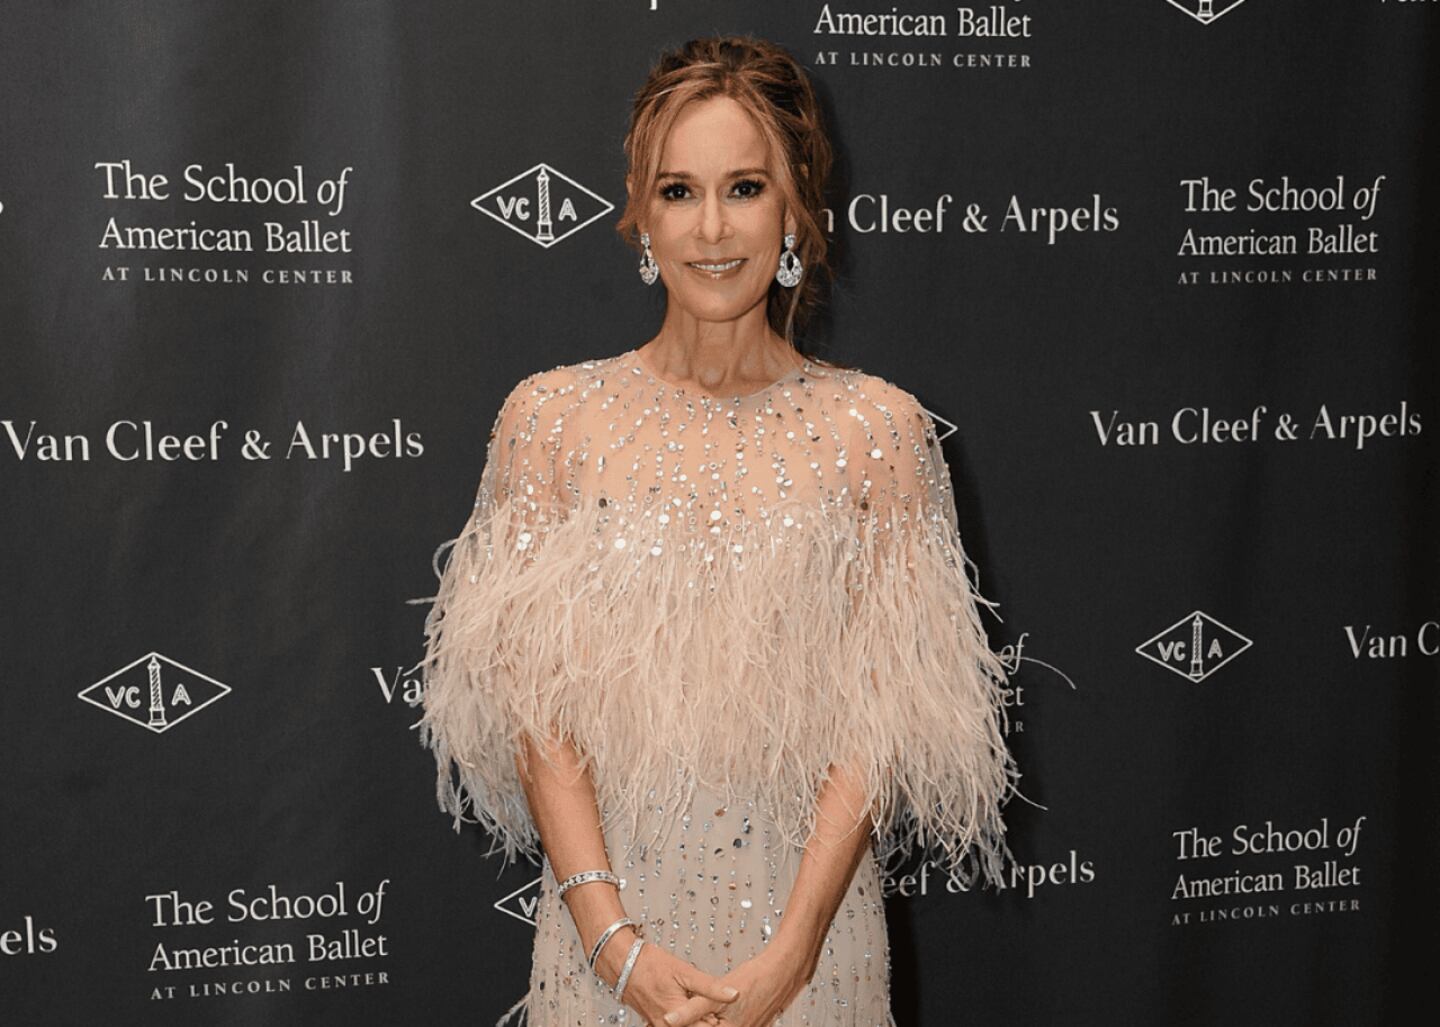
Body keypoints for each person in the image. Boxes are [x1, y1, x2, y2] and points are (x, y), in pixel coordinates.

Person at [411, 35, 1024, 1027]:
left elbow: (878, 724)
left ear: (796, 208)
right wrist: (612, 942)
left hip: (810, 957)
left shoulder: (878, 433)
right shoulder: (551, 422)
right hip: (605, 948)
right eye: (678, 191)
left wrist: (791, 956)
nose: (710, 228)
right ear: (639, 213)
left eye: (744, 187)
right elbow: (536, 714)